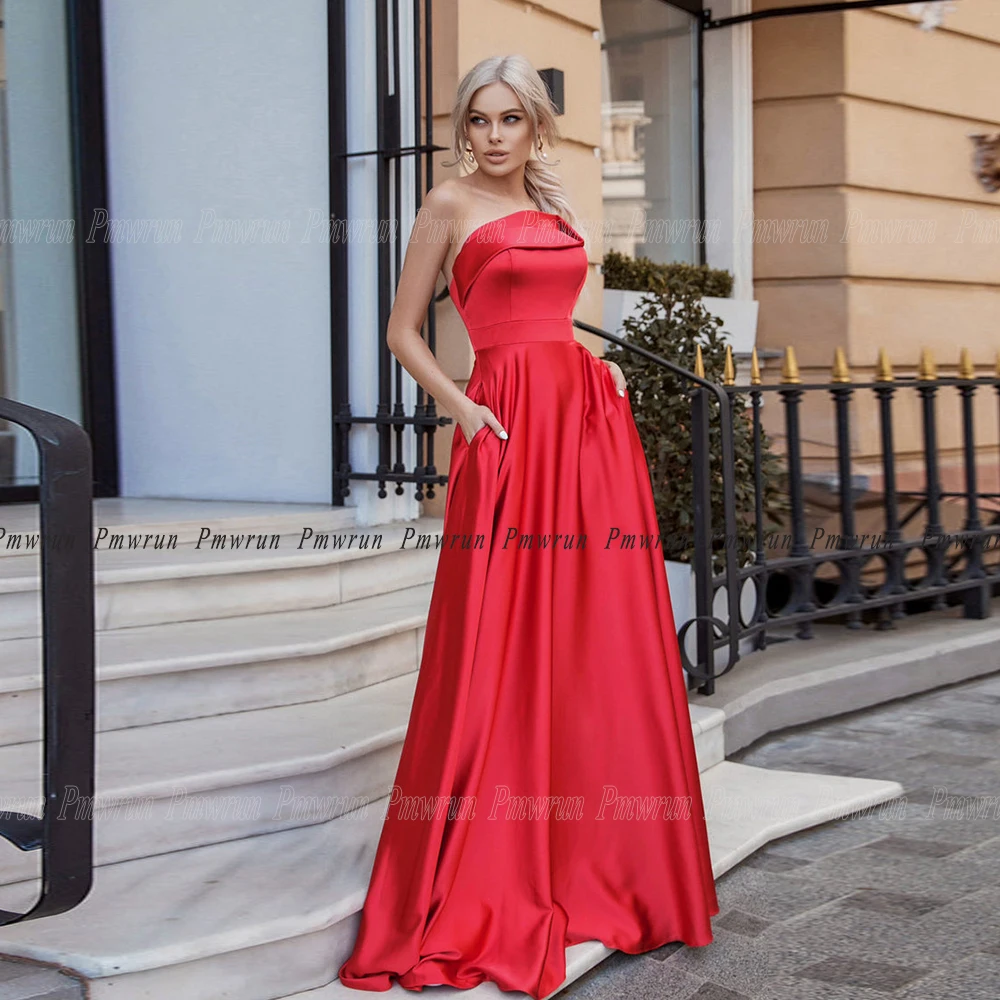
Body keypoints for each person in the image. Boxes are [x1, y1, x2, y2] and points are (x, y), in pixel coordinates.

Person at [338, 53, 719, 999]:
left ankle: (600, 858)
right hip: (503, 427)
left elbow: (562, 315)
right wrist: (461, 410)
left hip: (585, 426)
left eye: (510, 120)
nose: (493, 136)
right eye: (479, 120)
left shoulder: (558, 207)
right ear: (464, 127)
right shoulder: (447, 204)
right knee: (496, 639)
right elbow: (400, 330)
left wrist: (607, 370)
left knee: (593, 636)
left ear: (534, 126)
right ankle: (491, 865)